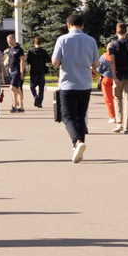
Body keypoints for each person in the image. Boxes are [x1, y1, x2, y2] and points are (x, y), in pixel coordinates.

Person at [50, 12, 97, 162]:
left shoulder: (62, 40)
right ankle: (78, 146)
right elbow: (96, 63)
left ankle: (77, 141)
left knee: (68, 116)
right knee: (80, 116)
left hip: (68, 83)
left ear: (68, 25)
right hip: (84, 84)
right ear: (82, 25)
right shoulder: (91, 40)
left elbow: (55, 61)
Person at [106, 22, 128, 135]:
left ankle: (119, 123)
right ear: (127, 31)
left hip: (118, 76)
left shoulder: (113, 45)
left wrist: (114, 76)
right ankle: (127, 127)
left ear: (116, 32)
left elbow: (113, 61)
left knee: (117, 98)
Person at [25, 35, 53, 111]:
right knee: (41, 88)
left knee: (32, 86)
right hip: (42, 71)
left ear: (34, 42)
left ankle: (35, 95)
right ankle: (40, 102)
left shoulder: (31, 51)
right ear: (41, 43)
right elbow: (49, 59)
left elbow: (28, 61)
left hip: (34, 71)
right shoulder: (43, 52)